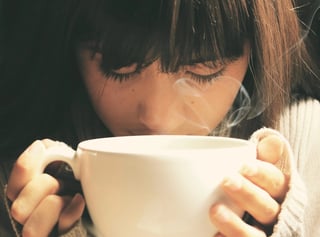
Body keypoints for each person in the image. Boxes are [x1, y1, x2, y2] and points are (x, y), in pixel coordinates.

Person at [1, 0, 320, 236]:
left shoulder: (307, 143)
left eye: (203, 69)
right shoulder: (24, 171)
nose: (156, 118)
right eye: (119, 67)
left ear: (256, 49)